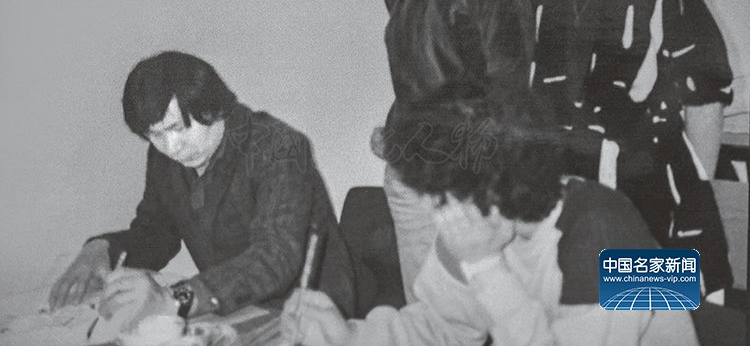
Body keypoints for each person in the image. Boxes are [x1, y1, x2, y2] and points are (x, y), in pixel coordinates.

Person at [482, 0, 734, 300]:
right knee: (581, 319)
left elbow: (705, 99)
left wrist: (693, 201)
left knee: (644, 319)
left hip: (656, 212)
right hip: (574, 213)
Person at [281, 100, 699, 346]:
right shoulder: (471, 223)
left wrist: (485, 268)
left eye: (448, 197)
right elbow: (438, 330)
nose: (444, 215)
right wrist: (349, 337)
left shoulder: (608, 226)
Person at [330, 0, 534, 301]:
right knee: (426, 313)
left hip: (469, 179)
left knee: (483, 311)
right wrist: (395, 133)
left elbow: (509, 90)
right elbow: (420, 80)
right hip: (410, 182)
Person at [47, 51, 356, 328]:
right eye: (155, 134)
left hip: (311, 311)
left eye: (178, 128)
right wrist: (102, 249)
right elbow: (157, 233)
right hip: (232, 309)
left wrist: (175, 299)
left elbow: (274, 257)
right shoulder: (164, 157)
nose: (172, 147)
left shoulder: (279, 146)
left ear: (212, 108)